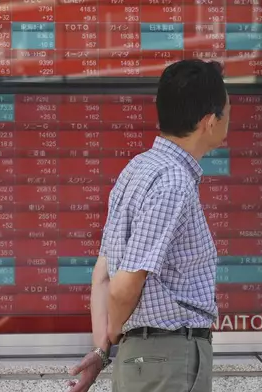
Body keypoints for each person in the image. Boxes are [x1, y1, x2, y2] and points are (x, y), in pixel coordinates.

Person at [67, 59, 229, 392]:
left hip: (143, 359)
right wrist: (114, 334)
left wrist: (104, 348)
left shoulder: (136, 170)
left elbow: (103, 272)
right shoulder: (173, 180)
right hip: (167, 358)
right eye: (226, 113)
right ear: (210, 122)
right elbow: (124, 284)